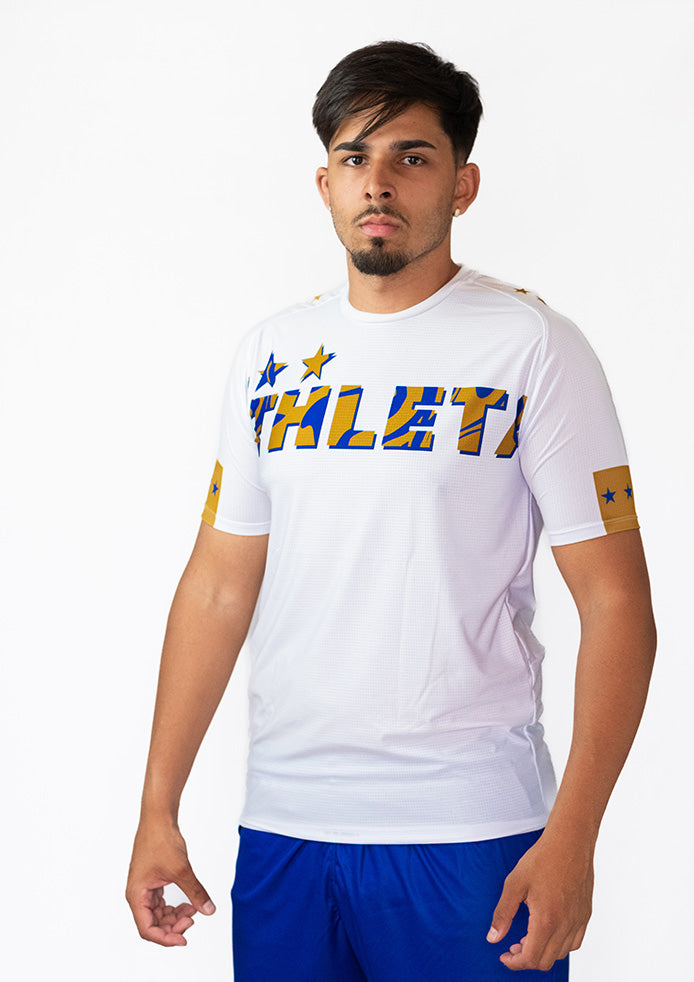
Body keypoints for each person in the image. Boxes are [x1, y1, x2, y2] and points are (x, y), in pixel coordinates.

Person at [126, 40, 656, 980]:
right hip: (286, 828)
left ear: (463, 184)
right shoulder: (271, 354)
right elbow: (216, 587)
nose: (379, 182)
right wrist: (156, 807)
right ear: (324, 183)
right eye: (354, 157)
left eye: (412, 156)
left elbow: (617, 604)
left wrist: (573, 837)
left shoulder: (534, 347)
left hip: (470, 834)